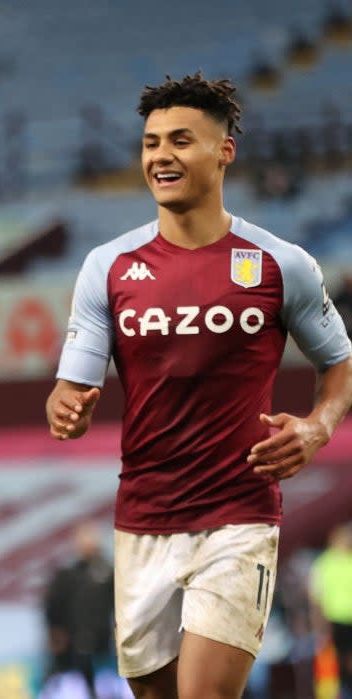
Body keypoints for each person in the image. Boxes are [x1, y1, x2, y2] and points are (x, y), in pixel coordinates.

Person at [45, 72, 352, 699]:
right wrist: (65, 408)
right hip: (143, 519)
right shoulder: (107, 266)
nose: (161, 155)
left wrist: (318, 427)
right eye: (151, 142)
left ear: (224, 151)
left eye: (181, 140)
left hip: (237, 517)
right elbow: (69, 386)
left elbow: (341, 363)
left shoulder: (279, 263)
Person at [42, 520, 114, 697]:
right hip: (71, 644)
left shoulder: (109, 572)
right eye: (83, 539)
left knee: (103, 685)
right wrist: (55, 632)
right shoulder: (67, 575)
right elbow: (53, 605)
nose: (87, 544)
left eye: (91, 539)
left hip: (104, 644)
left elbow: (120, 604)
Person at [309, 522, 352, 699]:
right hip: (333, 621)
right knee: (332, 666)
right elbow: (316, 598)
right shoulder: (324, 564)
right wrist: (320, 627)